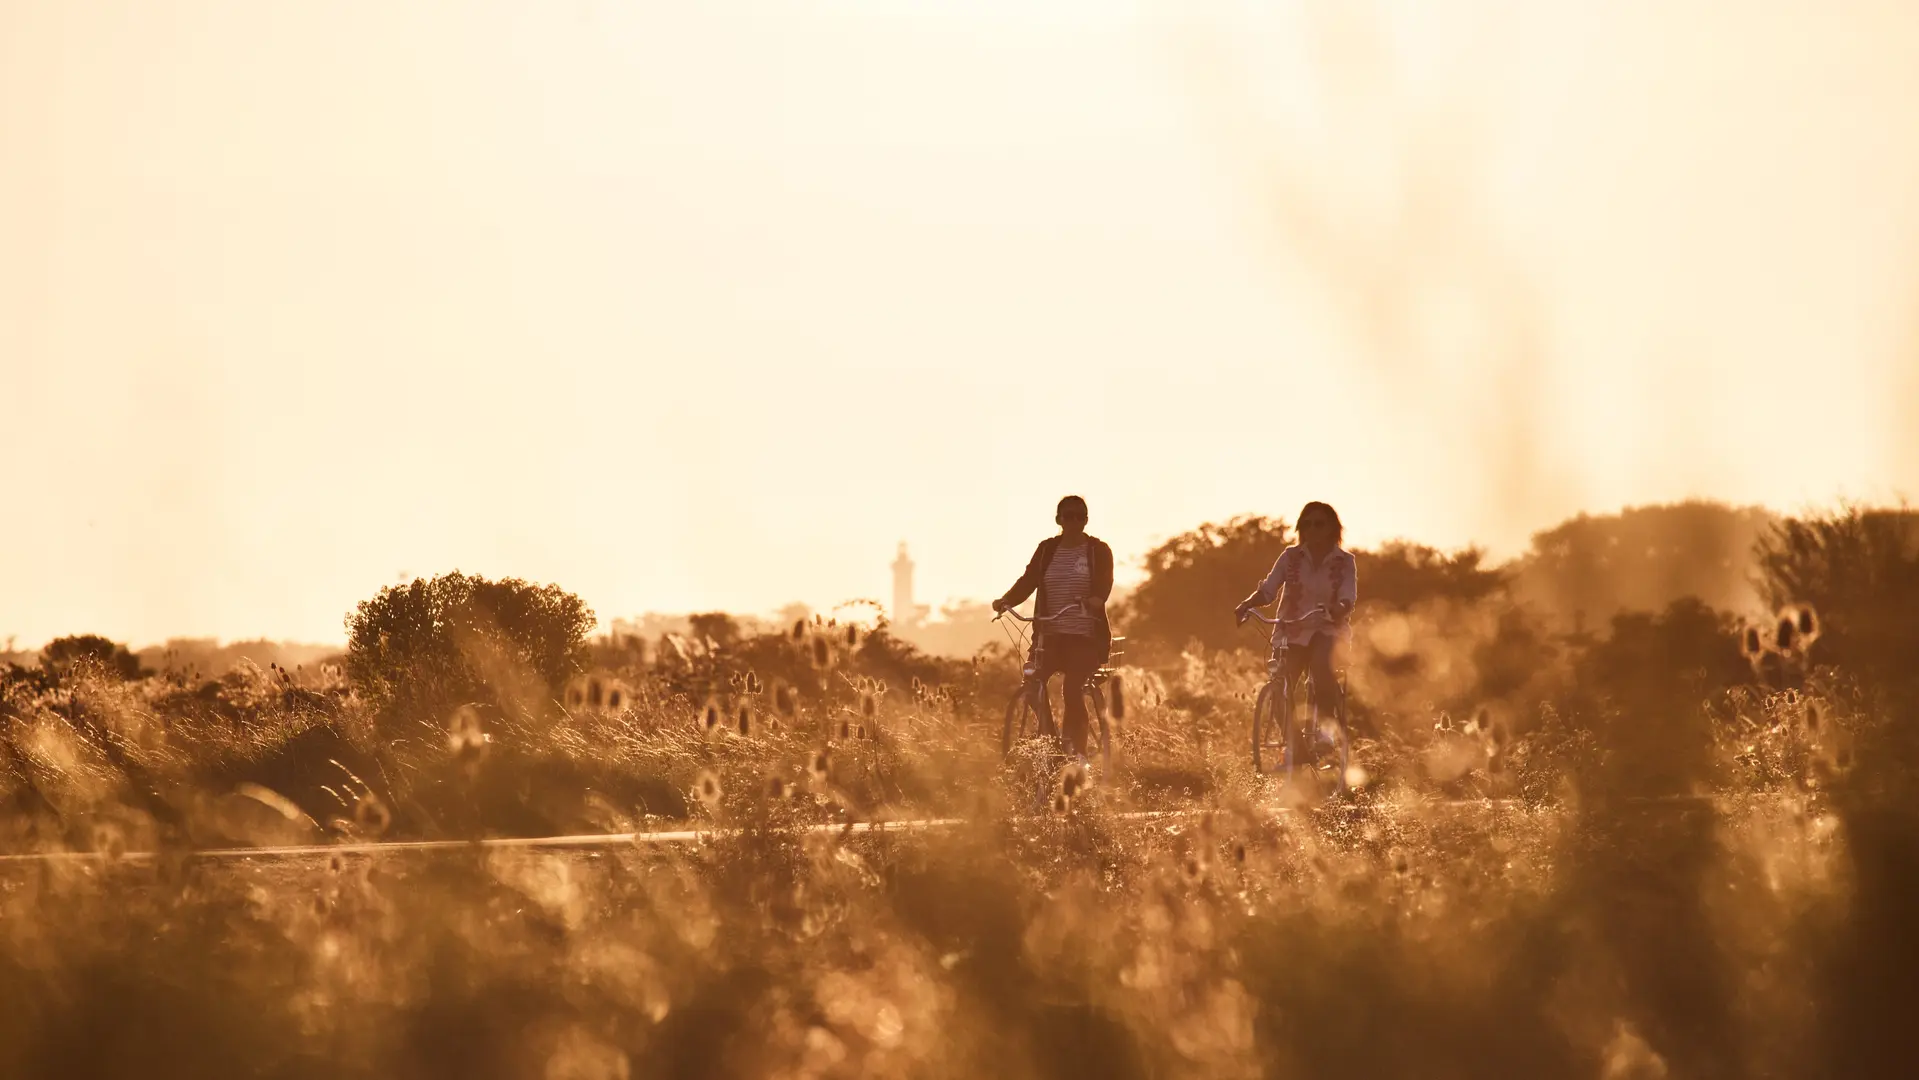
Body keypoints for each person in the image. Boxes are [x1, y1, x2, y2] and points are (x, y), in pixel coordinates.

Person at [993, 495, 1114, 758]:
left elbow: (1105, 581)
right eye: (1067, 516)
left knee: (1072, 689)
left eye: (1079, 516)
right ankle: (1051, 741)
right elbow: (1028, 580)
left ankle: (1078, 754)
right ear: (1058, 519)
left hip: (1084, 637)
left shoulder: (1097, 550)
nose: (1073, 521)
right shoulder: (1047, 550)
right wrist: (1006, 600)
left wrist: (1096, 599)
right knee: (1032, 685)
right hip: (1049, 636)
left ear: (1086, 520)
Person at [1234, 501, 1357, 717]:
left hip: (1327, 630)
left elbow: (1347, 598)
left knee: (1321, 668)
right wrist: (1246, 604)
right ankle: (1298, 748)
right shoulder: (1290, 557)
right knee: (1281, 687)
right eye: (1307, 524)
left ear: (1332, 528)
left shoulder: (1345, 561)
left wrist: (1336, 609)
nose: (1312, 530)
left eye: (1319, 524)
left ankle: (1327, 730)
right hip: (1291, 631)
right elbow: (1268, 591)